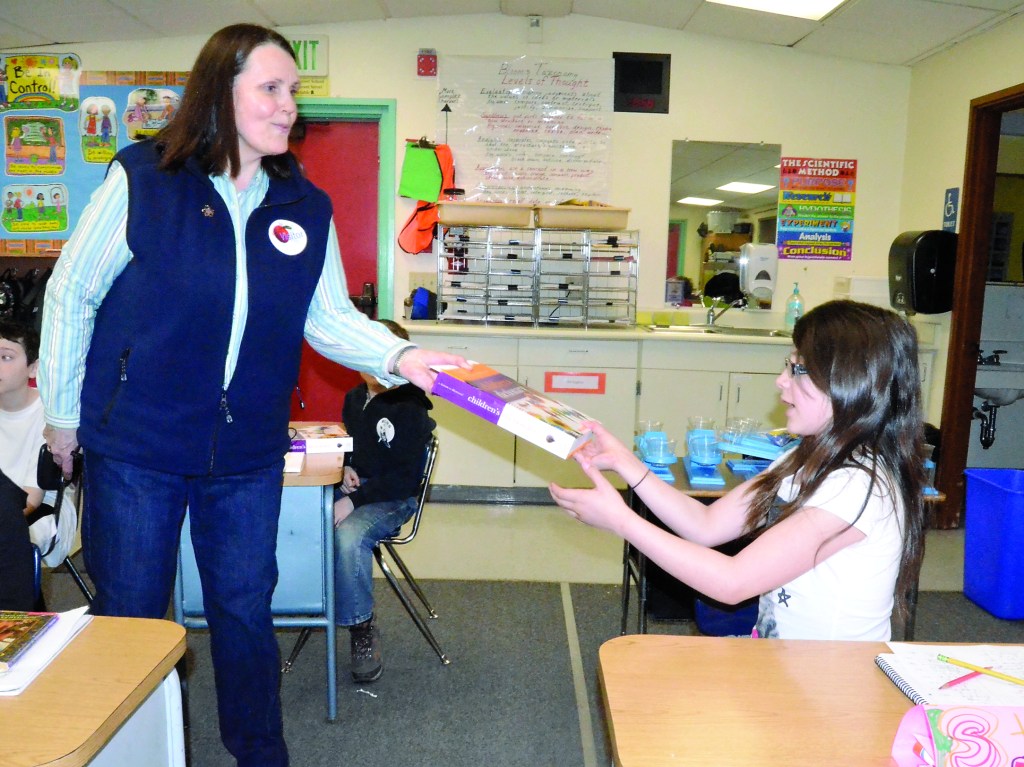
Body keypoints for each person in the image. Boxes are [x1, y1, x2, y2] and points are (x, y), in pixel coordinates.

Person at [38, 24, 466, 767]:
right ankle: (125, 752)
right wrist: (63, 414)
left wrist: (403, 356)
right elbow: (73, 293)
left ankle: (260, 752)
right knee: (131, 613)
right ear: (219, 92)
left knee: (243, 608)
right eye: (270, 88)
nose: (287, 105)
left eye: (292, 90)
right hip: (137, 443)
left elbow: (327, 318)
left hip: (245, 451)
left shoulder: (304, 205)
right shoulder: (145, 179)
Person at [550, 300, 927, 641]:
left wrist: (622, 521)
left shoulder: (857, 484)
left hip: (831, 680)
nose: (781, 380)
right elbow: (706, 525)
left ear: (852, 384)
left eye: (798, 369)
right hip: (786, 664)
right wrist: (624, 462)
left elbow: (733, 582)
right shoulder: (803, 457)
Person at [332, 319, 436, 683]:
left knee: (348, 536)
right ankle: (309, 605)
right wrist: (344, 469)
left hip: (393, 497)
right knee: (299, 517)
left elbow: (405, 479)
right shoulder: (354, 398)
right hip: (358, 489)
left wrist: (355, 500)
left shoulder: (409, 407)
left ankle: (361, 627)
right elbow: (349, 448)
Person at [0, 321, 42, 610]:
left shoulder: (49, 415)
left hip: (37, 511)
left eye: (6, 357)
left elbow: (32, 499)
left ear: (33, 368)